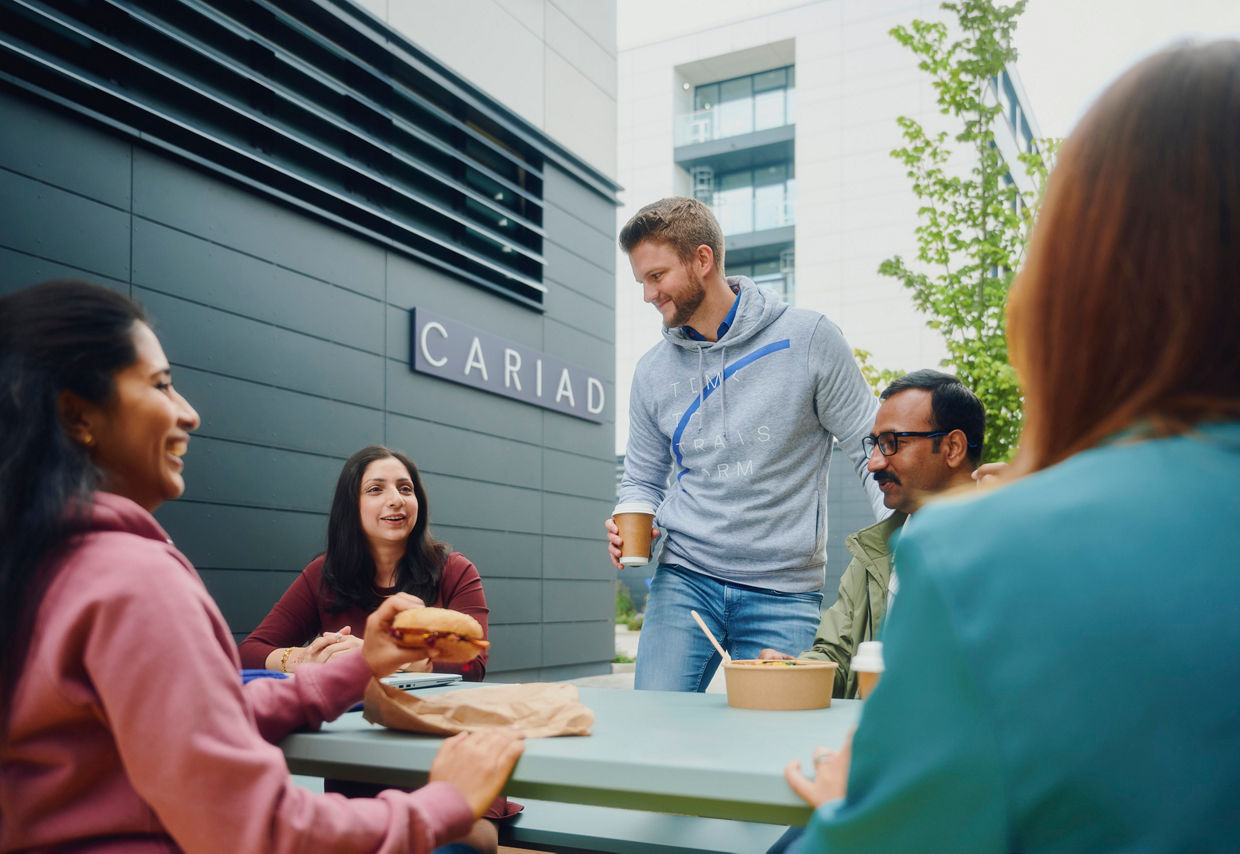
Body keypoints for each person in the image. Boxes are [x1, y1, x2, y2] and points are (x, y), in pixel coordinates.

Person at [782, 41, 1240, 852]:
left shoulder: (985, 557)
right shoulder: (895, 548)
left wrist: (855, 808)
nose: (872, 460)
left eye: (891, 442)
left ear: (1074, 281)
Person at [0, 280, 524, 853]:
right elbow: (257, 827)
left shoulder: (41, 561)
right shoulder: (134, 580)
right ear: (78, 416)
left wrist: (359, 667)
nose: (190, 414)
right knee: (469, 837)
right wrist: (441, 803)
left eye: (405, 487)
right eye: (161, 385)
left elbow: (198, 715)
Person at [606, 196, 887, 692]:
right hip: (685, 578)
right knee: (654, 731)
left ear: (702, 259)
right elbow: (643, 479)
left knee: (781, 741)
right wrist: (633, 523)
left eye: (656, 277)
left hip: (784, 588)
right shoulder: (651, 371)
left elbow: (871, 451)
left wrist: (903, 550)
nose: (648, 295)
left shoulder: (809, 339)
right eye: (642, 281)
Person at [760, 369, 984, 698]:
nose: (874, 463)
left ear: (952, 447)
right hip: (872, 743)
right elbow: (834, 658)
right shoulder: (873, 554)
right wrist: (792, 671)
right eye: (875, 444)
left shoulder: (1016, 548)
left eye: (893, 443)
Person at [239, 445, 489, 681]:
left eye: (405, 488)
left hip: (430, 716)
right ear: (351, 506)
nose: (396, 500)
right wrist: (306, 658)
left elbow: (473, 666)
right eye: (375, 489)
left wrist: (383, 655)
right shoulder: (324, 573)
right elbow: (247, 654)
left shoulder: (455, 571)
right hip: (344, 718)